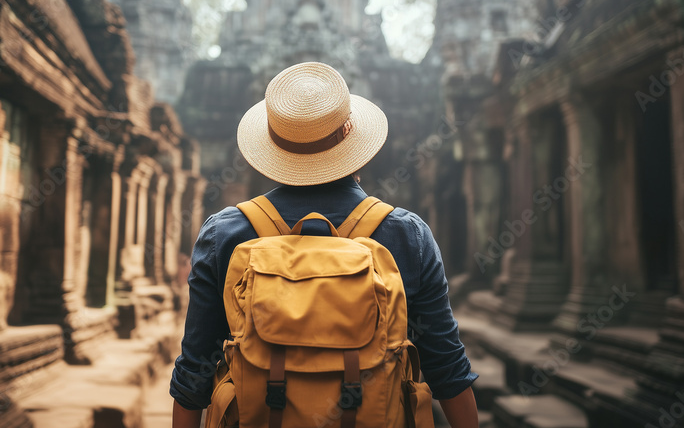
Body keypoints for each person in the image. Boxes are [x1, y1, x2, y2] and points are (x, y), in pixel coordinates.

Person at [170, 62, 479, 427]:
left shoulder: (225, 233)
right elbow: (448, 371)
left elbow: (194, 377)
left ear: (272, 148)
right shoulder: (406, 235)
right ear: (354, 143)